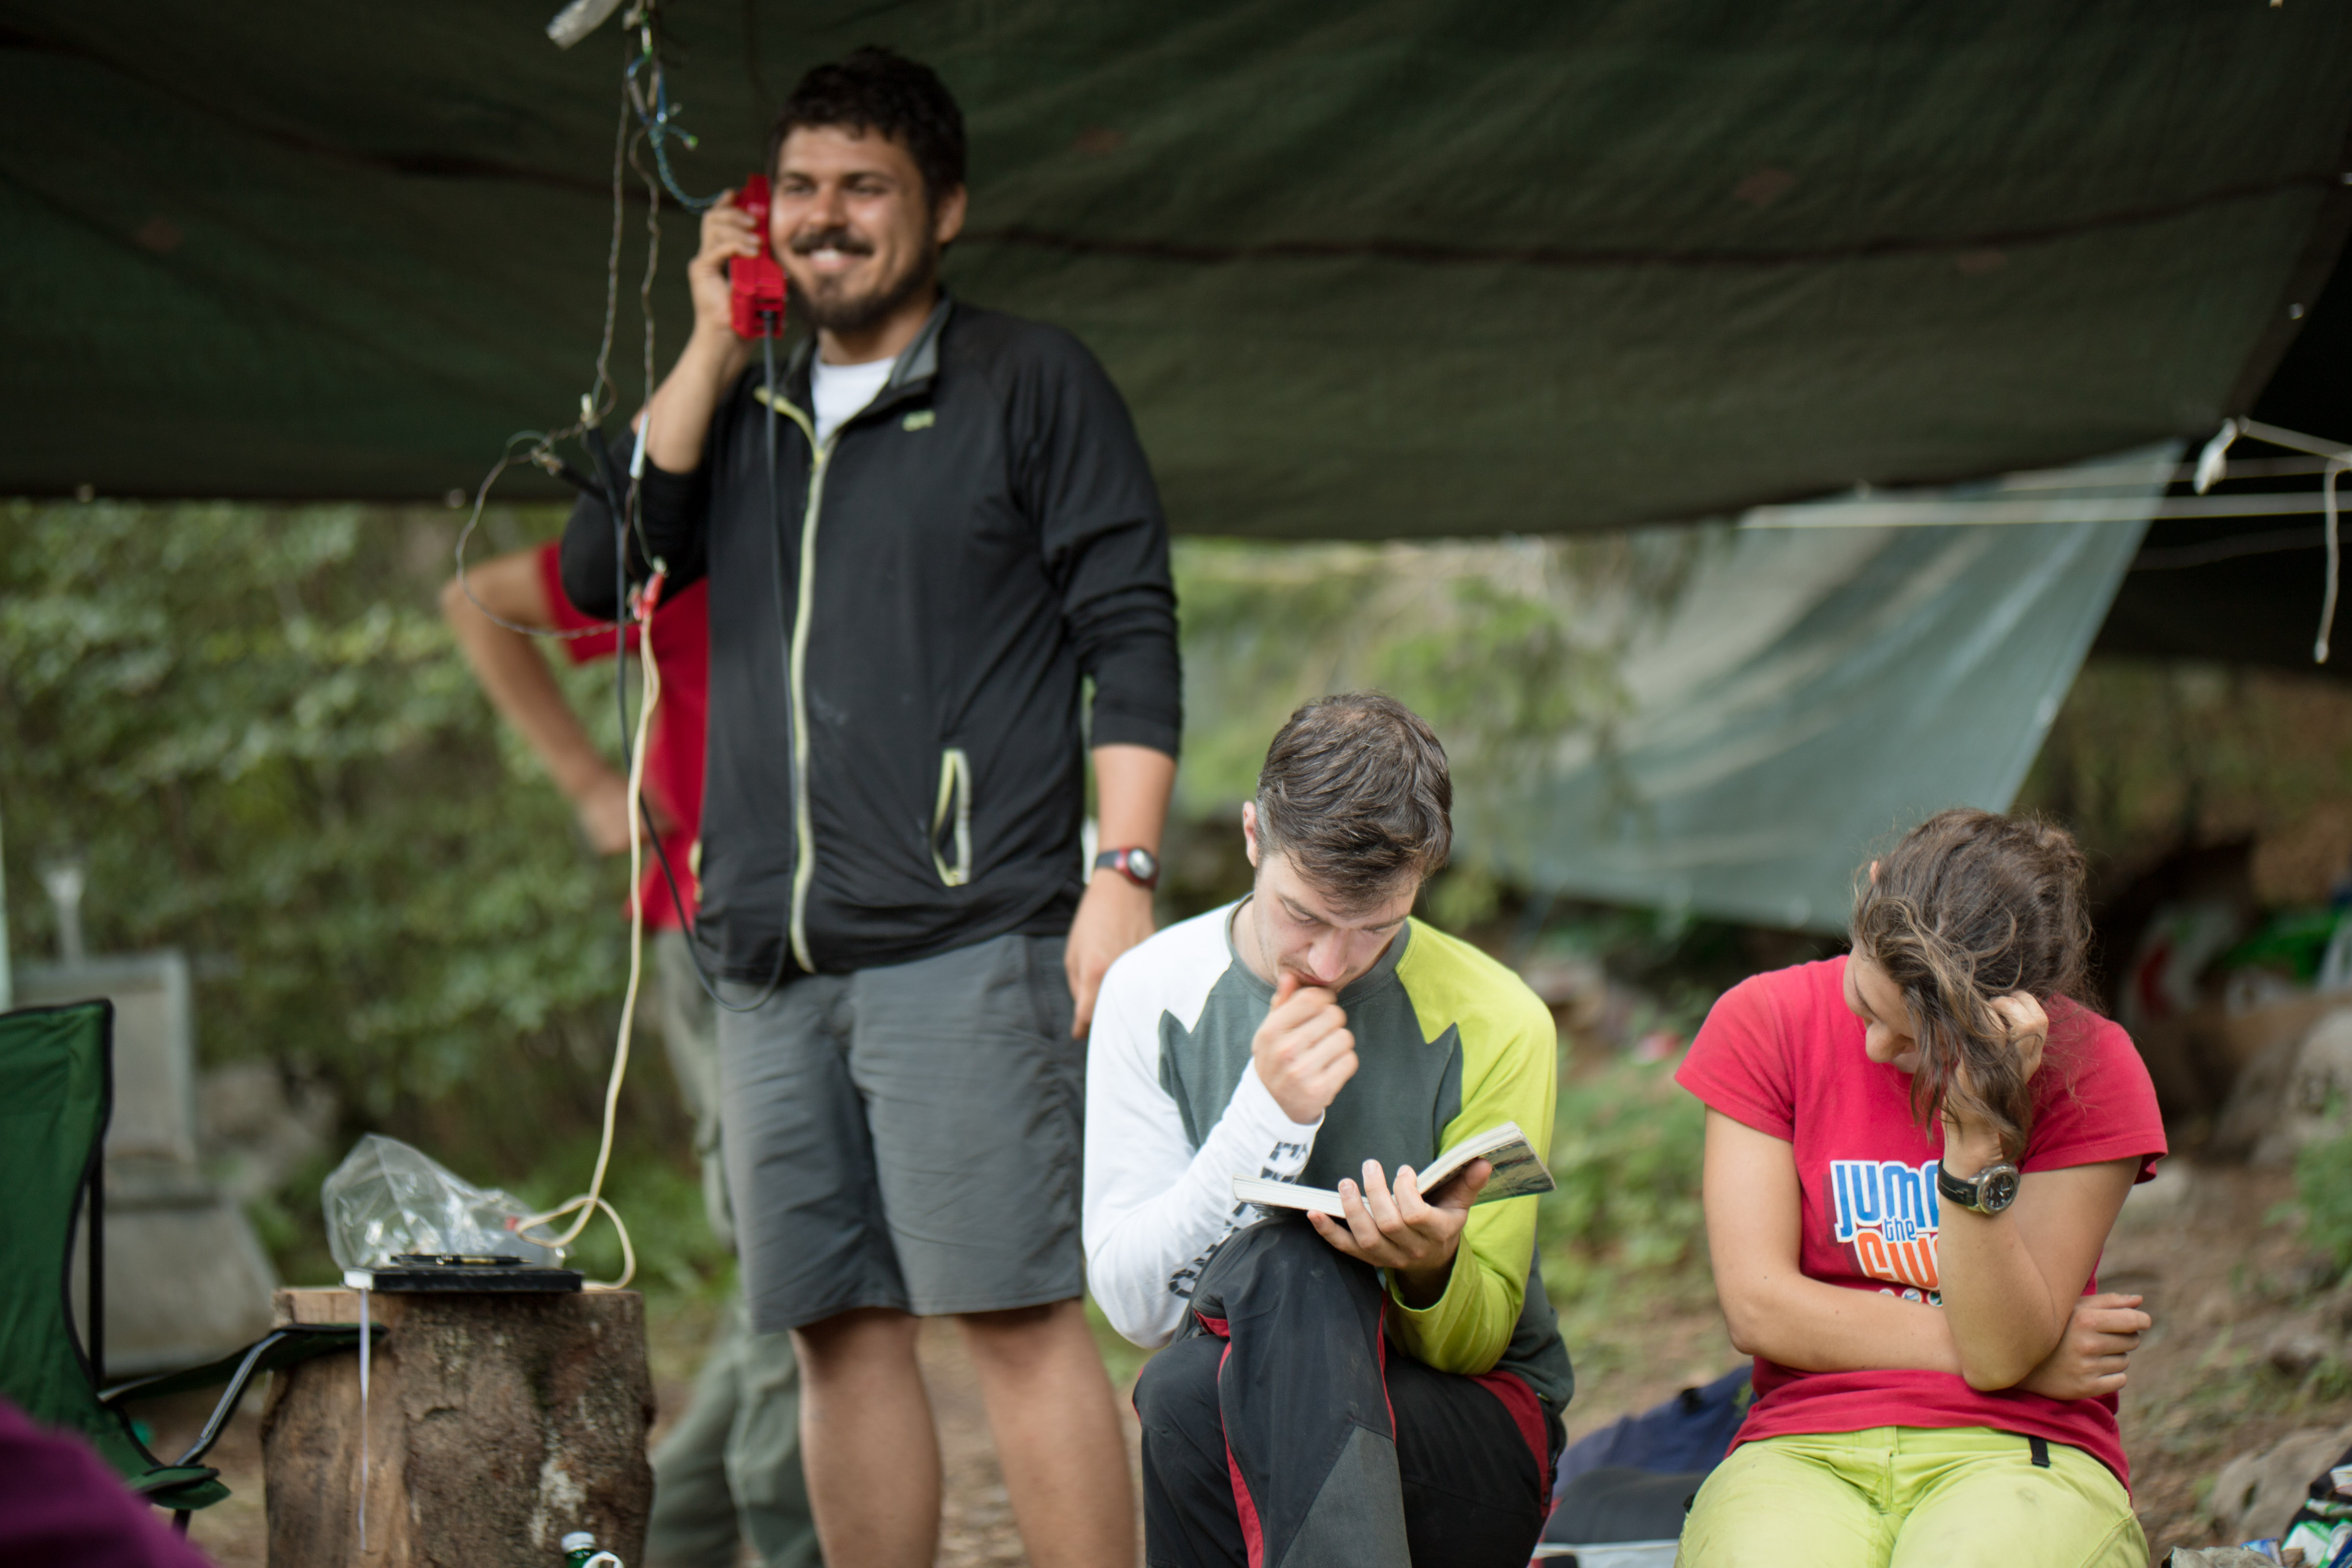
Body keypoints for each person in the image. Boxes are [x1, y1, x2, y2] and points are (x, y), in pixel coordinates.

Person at [563, 46, 1179, 1568]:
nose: (828, 219)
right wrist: (710, 344)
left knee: (1015, 1321)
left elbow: (1133, 633)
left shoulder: (1031, 381)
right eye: (803, 191)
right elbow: (599, 572)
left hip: (969, 942)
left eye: (868, 189)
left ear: (944, 210)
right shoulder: (745, 403)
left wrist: (1125, 871)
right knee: (835, 1332)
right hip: (768, 965)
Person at [1086, 692, 1572, 1568]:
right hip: (1240, 1398)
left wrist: (1426, 1269)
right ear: (1251, 838)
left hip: (1472, 1437)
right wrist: (1264, 1118)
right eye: (1304, 915)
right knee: (1192, 1378)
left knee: (1238, 1335)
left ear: (1422, 884)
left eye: (1378, 928)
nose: (1332, 963)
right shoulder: (1149, 991)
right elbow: (1138, 1309)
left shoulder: (1502, 1020)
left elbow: (1481, 1345)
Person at [441, 513, 821, 1568]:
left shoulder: (879, 527)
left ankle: (674, 1541)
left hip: (868, 943)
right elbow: (479, 600)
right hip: (719, 934)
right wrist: (586, 781)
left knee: (798, 1286)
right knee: (793, 1260)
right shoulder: (693, 534)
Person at [1674, 808, 2168, 1568]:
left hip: (2017, 1451)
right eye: (1868, 1006)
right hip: (1805, 1448)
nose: (1876, 1047)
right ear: (1869, 895)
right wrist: (2031, 1353)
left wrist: (1976, 1144)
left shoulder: (2090, 1068)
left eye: (1917, 1039)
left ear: (2013, 1012)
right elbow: (1761, 1306)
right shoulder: (1763, 1023)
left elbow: (2000, 1355)